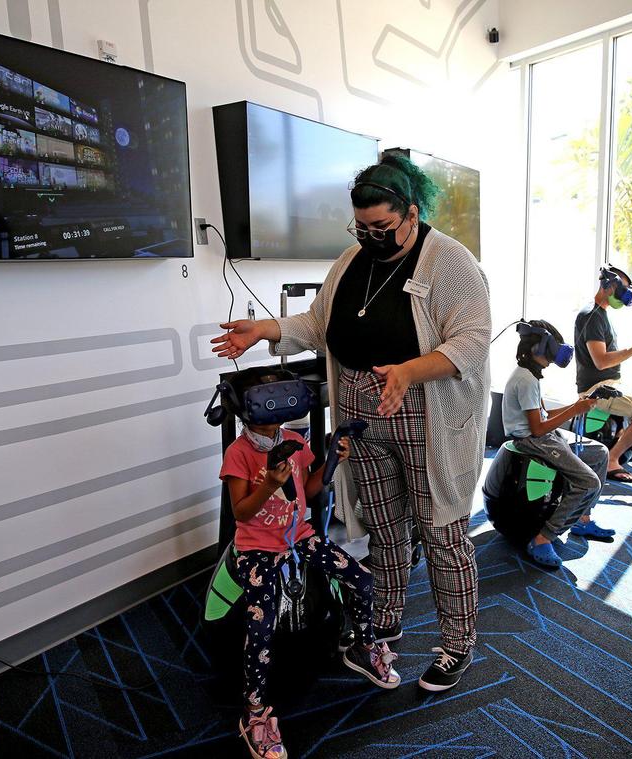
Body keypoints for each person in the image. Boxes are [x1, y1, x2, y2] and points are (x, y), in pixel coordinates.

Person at [212, 153, 491, 693]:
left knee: (441, 530)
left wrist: (409, 371)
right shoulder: (349, 262)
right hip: (360, 416)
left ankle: (457, 643)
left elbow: (472, 342)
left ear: (411, 214)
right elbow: (317, 324)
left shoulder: (451, 263)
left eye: (381, 227)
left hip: (426, 412)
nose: (370, 237)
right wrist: (265, 329)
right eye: (360, 227)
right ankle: (382, 625)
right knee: (384, 527)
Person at [220, 376, 399, 759]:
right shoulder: (239, 454)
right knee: (261, 624)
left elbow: (311, 489)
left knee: (362, 579)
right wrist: (268, 485)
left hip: (300, 535)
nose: (273, 420)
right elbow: (240, 512)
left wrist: (332, 459)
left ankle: (364, 648)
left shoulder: (296, 443)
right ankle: (254, 713)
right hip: (259, 548)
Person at [493, 320, 615, 568]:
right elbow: (537, 428)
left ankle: (582, 519)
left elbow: (544, 414)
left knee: (600, 452)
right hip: (532, 440)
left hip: (542, 435)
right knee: (589, 482)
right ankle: (543, 538)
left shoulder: (530, 377)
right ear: (539, 347)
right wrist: (574, 411)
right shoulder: (525, 380)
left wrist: (579, 404)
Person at [574, 265, 632, 483]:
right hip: (596, 389)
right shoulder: (591, 316)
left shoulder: (601, 314)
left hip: (612, 382)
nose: (624, 296)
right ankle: (612, 460)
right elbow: (601, 361)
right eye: (622, 290)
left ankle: (626, 448)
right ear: (608, 286)